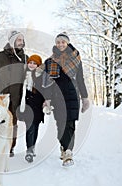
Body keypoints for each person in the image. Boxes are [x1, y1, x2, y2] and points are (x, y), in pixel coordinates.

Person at [42, 32, 90, 166]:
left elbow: (80, 79)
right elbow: (46, 83)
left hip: (73, 95)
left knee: (70, 124)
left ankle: (69, 152)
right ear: (55, 44)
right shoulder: (50, 61)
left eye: (63, 42)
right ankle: (63, 147)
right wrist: (47, 99)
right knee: (61, 125)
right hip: (57, 97)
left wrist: (85, 97)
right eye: (58, 42)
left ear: (67, 43)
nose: (60, 44)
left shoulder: (76, 59)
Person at [17, 54, 46, 163]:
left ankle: (32, 146)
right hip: (27, 104)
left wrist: (46, 101)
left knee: (35, 127)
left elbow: (47, 89)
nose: (32, 65)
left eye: (35, 63)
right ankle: (29, 150)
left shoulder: (42, 75)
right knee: (29, 127)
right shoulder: (24, 74)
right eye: (30, 62)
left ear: (38, 65)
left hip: (38, 105)